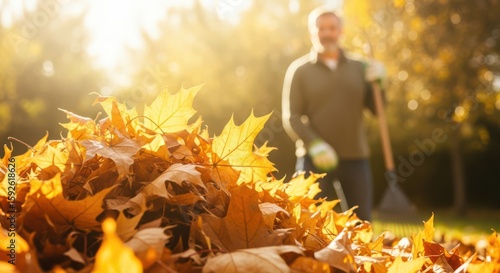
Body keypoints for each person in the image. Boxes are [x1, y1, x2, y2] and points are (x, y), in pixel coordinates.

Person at [281, 7, 386, 221]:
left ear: (341, 31)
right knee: (310, 223)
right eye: (320, 28)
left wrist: (380, 85)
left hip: (356, 158)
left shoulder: (360, 68)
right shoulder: (299, 70)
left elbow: (378, 111)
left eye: (332, 28)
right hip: (313, 160)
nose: (326, 33)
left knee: (361, 223)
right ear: (312, 32)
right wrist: (314, 144)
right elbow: (291, 116)